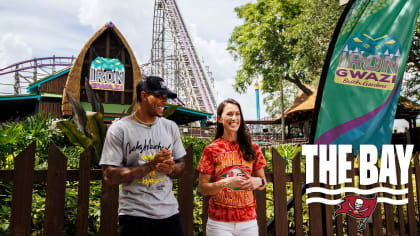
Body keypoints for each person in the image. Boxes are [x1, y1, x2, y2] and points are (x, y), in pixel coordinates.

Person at [100, 76, 186, 236]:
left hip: (170, 214)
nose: (164, 101)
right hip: (134, 217)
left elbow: (182, 166)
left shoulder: (170, 127)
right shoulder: (120, 129)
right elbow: (109, 176)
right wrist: (150, 165)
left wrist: (172, 168)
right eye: (159, 96)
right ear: (144, 96)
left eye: (165, 97)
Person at [198, 98, 267, 236]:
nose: (234, 118)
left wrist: (258, 181)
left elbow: (263, 183)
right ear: (219, 119)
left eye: (237, 114)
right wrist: (227, 182)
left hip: (248, 222)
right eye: (229, 114)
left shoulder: (253, 148)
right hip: (219, 223)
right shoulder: (211, 150)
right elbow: (203, 188)